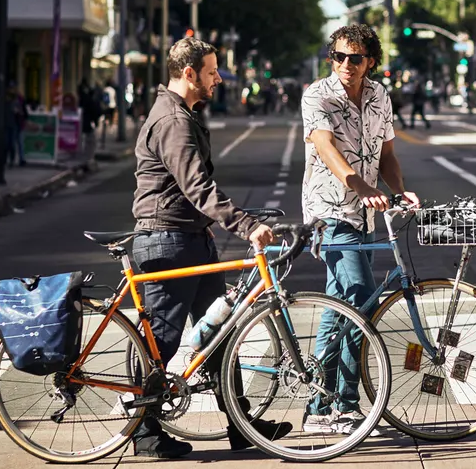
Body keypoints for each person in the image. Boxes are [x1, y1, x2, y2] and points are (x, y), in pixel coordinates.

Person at [130, 37, 291, 458]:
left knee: (220, 334)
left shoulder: (183, 113)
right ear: (189, 74)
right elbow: (197, 187)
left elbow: (192, 194)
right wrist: (246, 225)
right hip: (167, 241)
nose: (218, 78)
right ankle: (144, 433)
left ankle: (242, 425)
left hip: (189, 238)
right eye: (212, 71)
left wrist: (208, 224)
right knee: (160, 343)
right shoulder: (174, 121)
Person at [300, 24, 421, 434]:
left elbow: (387, 153)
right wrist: (361, 186)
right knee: (362, 302)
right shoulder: (318, 95)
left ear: (371, 60)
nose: (345, 65)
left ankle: (319, 407)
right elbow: (324, 146)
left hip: (363, 214)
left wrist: (400, 191)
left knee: (340, 308)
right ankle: (344, 404)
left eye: (355, 58)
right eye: (338, 57)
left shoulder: (379, 96)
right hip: (330, 212)